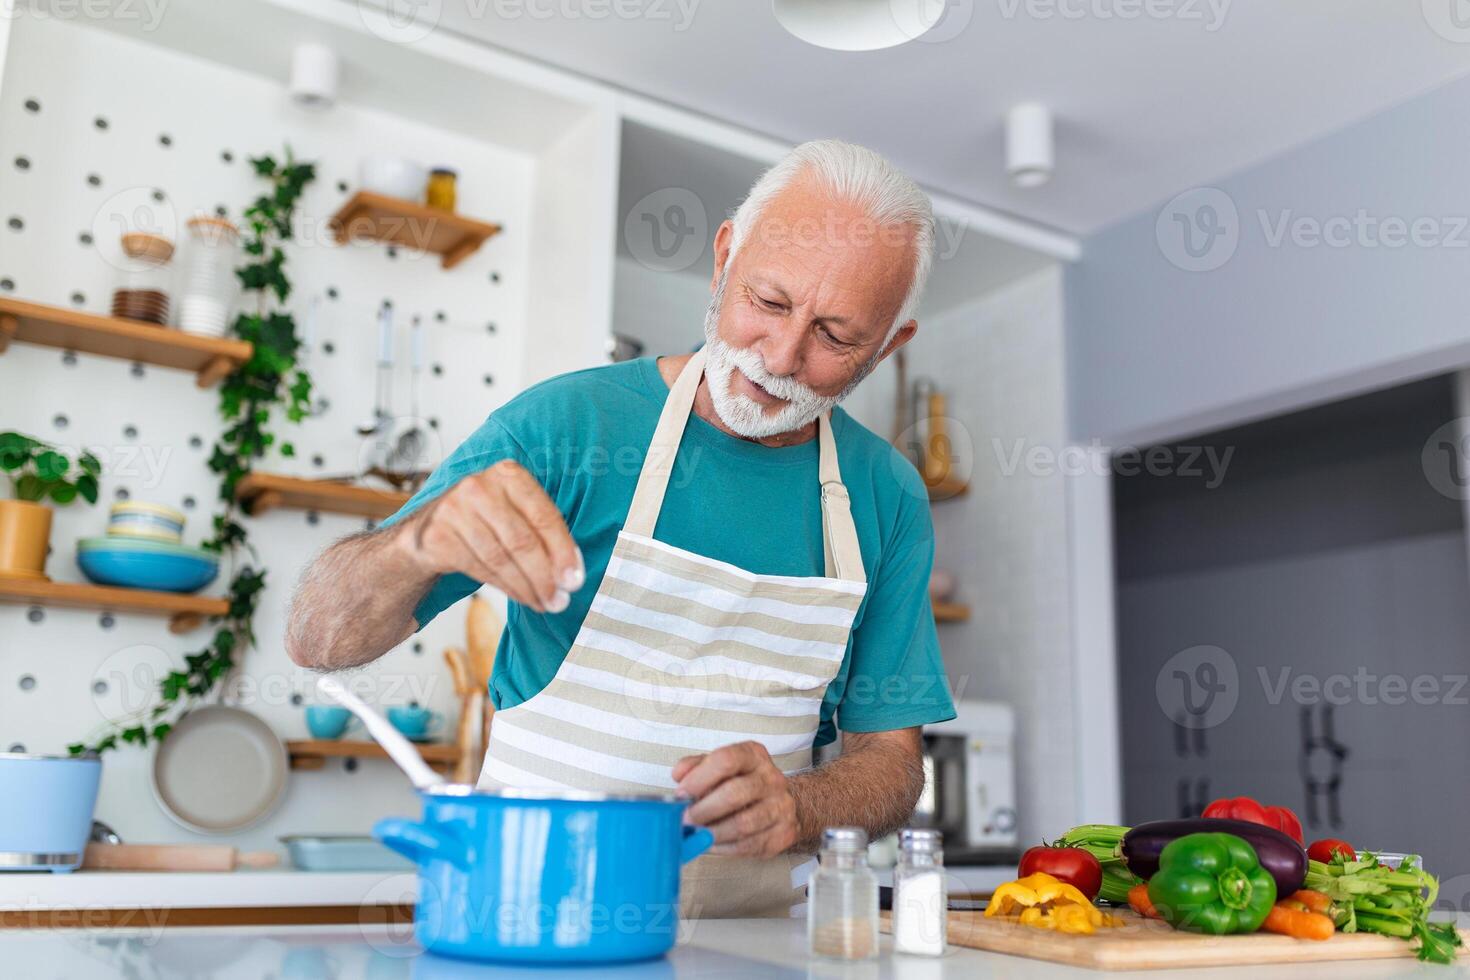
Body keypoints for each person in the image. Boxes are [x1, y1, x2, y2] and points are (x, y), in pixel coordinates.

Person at [287, 139, 957, 917]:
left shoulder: (888, 495)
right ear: (725, 255)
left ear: (887, 345)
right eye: (768, 303)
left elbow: (891, 763)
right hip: (526, 922)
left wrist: (801, 807)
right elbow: (319, 642)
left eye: (836, 337)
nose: (781, 355)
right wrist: (416, 540)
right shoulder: (567, 424)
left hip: (749, 948)